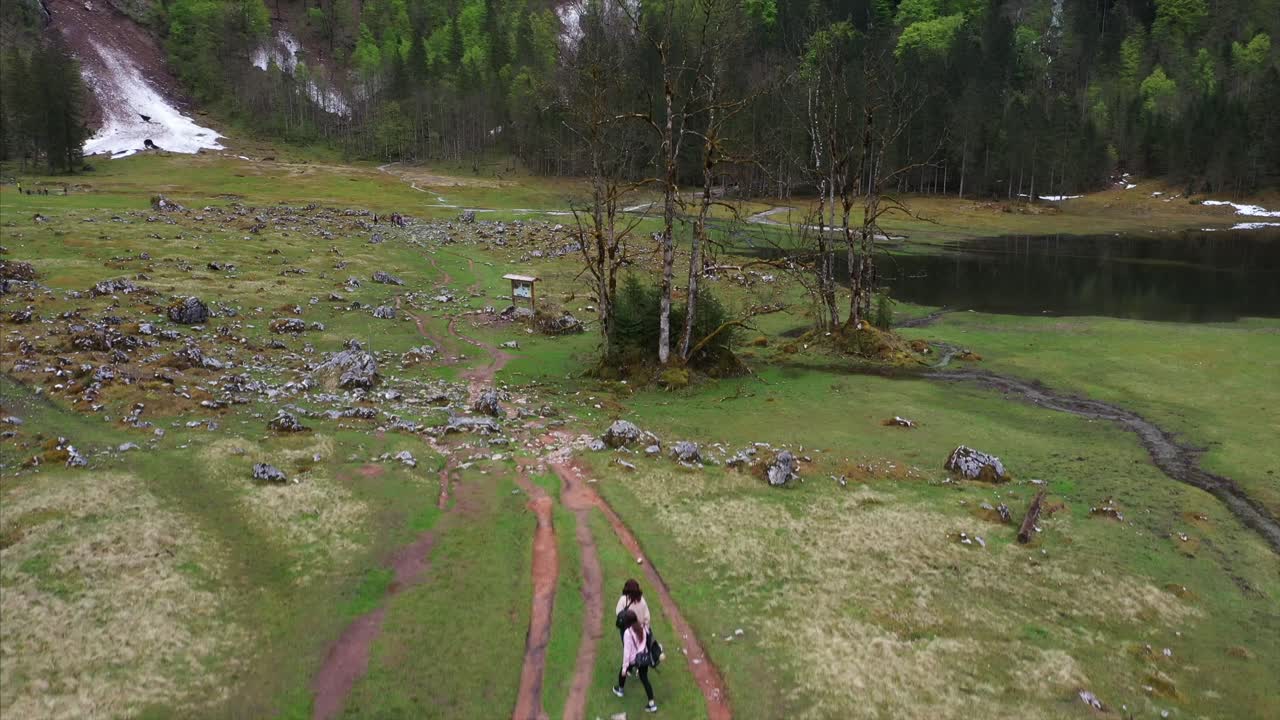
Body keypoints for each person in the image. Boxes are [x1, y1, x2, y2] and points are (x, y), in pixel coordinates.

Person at [613, 616, 658, 713]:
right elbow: (646, 641)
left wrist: (625, 667)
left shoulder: (627, 633)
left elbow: (627, 652)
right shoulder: (643, 627)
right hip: (643, 658)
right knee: (645, 679)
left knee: (622, 670)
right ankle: (652, 704)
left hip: (633, 659)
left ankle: (620, 690)